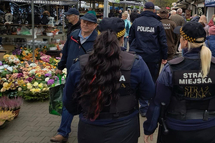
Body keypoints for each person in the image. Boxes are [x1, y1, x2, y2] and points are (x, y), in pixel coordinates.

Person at [63, 17, 155, 143]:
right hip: (125, 127)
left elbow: (69, 100)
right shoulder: (135, 64)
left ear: (98, 36)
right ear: (122, 38)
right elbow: (149, 93)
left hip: (90, 127)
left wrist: (82, 109)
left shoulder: (80, 65)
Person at [143, 21, 215, 143]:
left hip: (177, 130)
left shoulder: (170, 69)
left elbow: (158, 102)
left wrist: (150, 128)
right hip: (211, 129)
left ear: (185, 42)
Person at [50, 13, 98, 143]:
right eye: (84, 22)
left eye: (89, 23)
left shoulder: (98, 39)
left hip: (89, 78)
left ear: (95, 25)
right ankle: (63, 132)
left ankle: (89, 133)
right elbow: (65, 52)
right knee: (67, 103)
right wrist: (60, 66)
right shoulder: (74, 34)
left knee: (88, 105)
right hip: (72, 75)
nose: (85, 24)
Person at [129, 1, 168, 117]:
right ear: (154, 11)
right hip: (153, 57)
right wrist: (164, 57)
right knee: (152, 81)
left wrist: (133, 51)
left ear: (144, 9)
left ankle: (143, 106)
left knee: (138, 80)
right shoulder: (157, 23)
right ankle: (151, 105)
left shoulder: (136, 22)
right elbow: (163, 42)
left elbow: (131, 38)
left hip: (138, 56)